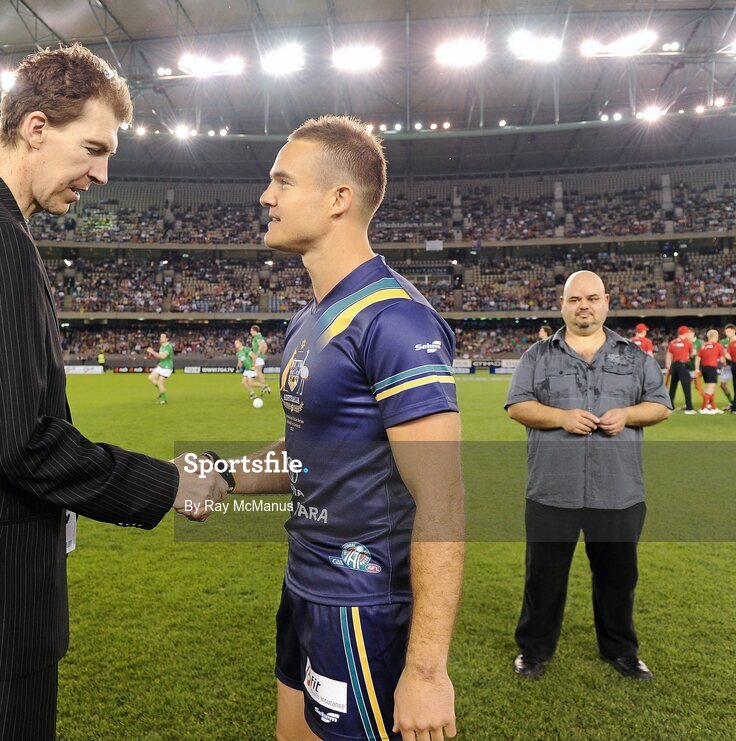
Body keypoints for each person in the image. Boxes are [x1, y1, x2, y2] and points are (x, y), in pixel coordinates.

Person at [0, 45, 227, 741]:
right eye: (92, 147)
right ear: (35, 127)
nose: (103, 173)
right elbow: (22, 438)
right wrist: (168, 483)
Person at [236, 115, 464, 741]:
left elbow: (441, 500)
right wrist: (220, 477)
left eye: (282, 181)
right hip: (304, 582)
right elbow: (311, 453)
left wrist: (425, 670)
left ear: (339, 199)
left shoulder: (395, 321)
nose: (266, 197)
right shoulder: (310, 318)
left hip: (364, 605)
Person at [505, 270, 671, 682]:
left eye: (592, 298)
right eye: (575, 299)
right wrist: (560, 416)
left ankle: (621, 651)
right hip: (552, 489)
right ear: (562, 304)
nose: (584, 306)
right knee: (542, 578)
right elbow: (517, 406)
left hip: (618, 490)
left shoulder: (635, 357)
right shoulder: (537, 356)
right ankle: (534, 650)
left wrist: (628, 414)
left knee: (618, 577)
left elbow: (661, 406)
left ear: (606, 302)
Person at [664, 326, 696, 414]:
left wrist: (668, 368)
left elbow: (668, 356)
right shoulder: (688, 343)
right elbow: (692, 354)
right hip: (683, 365)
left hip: (674, 365)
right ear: (685, 333)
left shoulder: (672, 342)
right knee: (686, 386)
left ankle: (670, 406)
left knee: (673, 387)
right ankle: (689, 407)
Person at [694, 329, 726, 414]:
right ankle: (703, 408)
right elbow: (722, 360)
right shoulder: (718, 346)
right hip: (712, 368)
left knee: (711, 388)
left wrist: (697, 369)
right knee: (710, 388)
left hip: (704, 368)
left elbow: (697, 358)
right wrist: (724, 363)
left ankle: (713, 408)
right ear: (716, 336)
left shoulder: (703, 346)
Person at [146, 331, 173, 404]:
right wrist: (159, 363)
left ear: (167, 339)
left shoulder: (168, 346)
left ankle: (164, 399)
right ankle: (162, 391)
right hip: (162, 365)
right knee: (151, 377)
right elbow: (160, 358)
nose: (161, 338)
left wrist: (152, 352)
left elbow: (163, 356)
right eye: (160, 337)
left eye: (162, 337)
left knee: (160, 382)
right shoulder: (162, 346)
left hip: (167, 366)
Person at [250, 324, 272, 394]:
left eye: (251, 330)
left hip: (257, 358)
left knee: (257, 373)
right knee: (257, 373)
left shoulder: (257, 337)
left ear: (254, 330)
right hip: (258, 358)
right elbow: (265, 346)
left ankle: (265, 386)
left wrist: (258, 354)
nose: (250, 332)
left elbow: (262, 345)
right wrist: (262, 353)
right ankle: (264, 386)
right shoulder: (259, 337)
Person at [724, 324, 736, 412]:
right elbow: (727, 354)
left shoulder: (732, 343)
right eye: (726, 332)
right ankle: (734, 406)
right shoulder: (730, 343)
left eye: (729, 331)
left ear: (734, 331)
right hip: (732, 365)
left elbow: (727, 354)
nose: (727, 333)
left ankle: (734, 407)